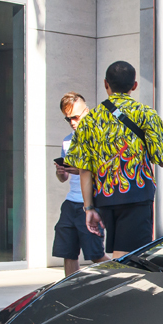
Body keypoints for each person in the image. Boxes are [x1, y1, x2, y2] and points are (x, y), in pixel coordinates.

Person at [66, 61, 163, 256]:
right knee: (129, 258)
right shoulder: (146, 114)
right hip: (136, 195)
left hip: (105, 199)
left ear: (105, 84)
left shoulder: (89, 120)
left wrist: (89, 208)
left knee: (120, 255)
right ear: (134, 85)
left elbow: (85, 170)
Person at [53, 93, 108, 276]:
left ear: (87, 111)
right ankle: (70, 293)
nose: (72, 122)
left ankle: (125, 280)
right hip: (71, 202)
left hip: (92, 202)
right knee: (68, 253)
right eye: (68, 119)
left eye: (75, 117)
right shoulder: (67, 140)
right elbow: (64, 179)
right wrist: (61, 172)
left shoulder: (100, 135)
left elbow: (106, 171)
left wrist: (83, 170)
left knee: (96, 255)